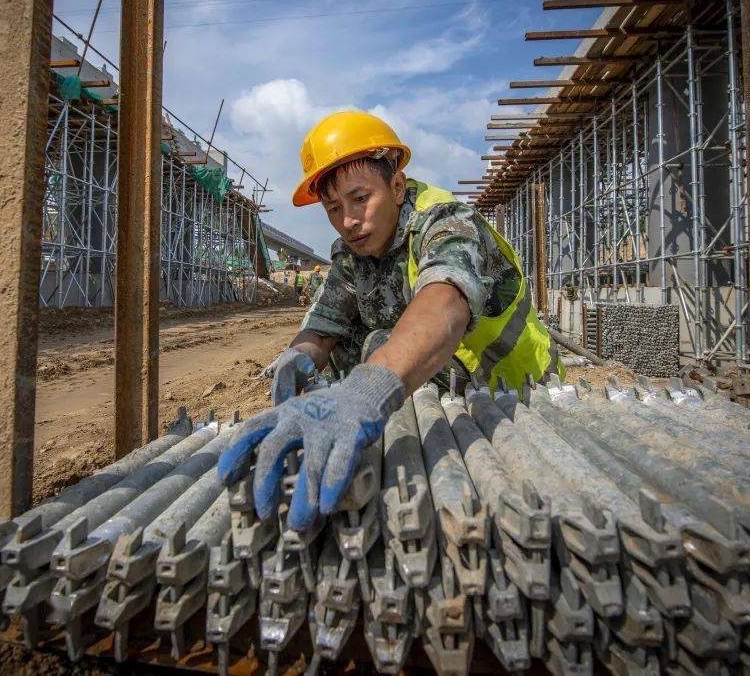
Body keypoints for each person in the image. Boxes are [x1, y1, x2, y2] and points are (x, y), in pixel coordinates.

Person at [218, 110, 560, 532]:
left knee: (379, 343)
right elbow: (325, 326)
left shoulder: (447, 222)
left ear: (397, 186)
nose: (348, 220)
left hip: (511, 393)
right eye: (333, 208)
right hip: (443, 386)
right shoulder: (352, 253)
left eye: (361, 199)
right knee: (352, 342)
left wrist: (366, 389)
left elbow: (446, 302)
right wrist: (299, 356)